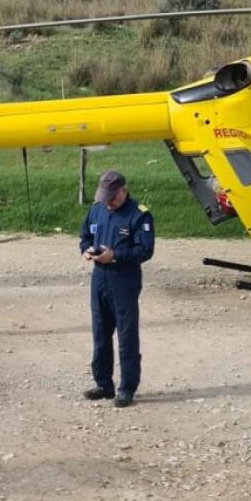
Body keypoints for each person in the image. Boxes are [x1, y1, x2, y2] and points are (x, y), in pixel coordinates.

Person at [79, 170, 155, 408]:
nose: (109, 202)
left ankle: (126, 388)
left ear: (124, 190)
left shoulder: (139, 215)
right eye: (106, 197)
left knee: (126, 336)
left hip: (125, 280)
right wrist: (86, 249)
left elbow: (145, 250)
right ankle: (103, 383)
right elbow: (84, 236)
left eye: (113, 197)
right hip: (99, 278)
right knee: (100, 332)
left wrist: (115, 256)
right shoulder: (97, 209)